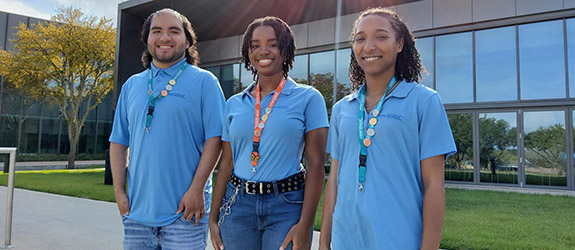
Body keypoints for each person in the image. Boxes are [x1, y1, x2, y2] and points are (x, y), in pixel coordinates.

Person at [319, 8, 456, 250]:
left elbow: (434, 184)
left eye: (381, 37)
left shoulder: (424, 102)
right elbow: (334, 182)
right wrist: (323, 242)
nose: (369, 46)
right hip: (345, 240)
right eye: (360, 38)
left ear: (400, 44)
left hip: (399, 240)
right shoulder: (342, 109)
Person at [109, 8, 225, 250]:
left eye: (174, 31)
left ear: (188, 40)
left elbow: (215, 140)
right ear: (147, 39)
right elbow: (119, 141)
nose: (164, 38)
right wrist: (119, 193)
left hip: (185, 213)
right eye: (156, 31)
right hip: (137, 215)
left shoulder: (205, 82)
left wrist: (197, 190)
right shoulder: (132, 85)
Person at [209, 16, 328, 250]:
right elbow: (226, 163)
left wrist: (305, 225)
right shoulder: (234, 103)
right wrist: (213, 218)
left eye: (272, 44)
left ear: (286, 49)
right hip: (238, 204)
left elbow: (316, 164)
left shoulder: (309, 98)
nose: (263, 51)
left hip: (286, 204)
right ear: (248, 52)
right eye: (255, 45)